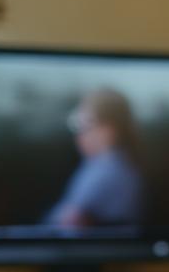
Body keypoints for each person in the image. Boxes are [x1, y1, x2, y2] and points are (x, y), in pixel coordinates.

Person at [44, 87, 144, 230]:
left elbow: (70, 221)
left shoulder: (108, 169)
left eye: (84, 124)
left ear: (108, 130)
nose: (79, 134)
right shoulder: (104, 164)